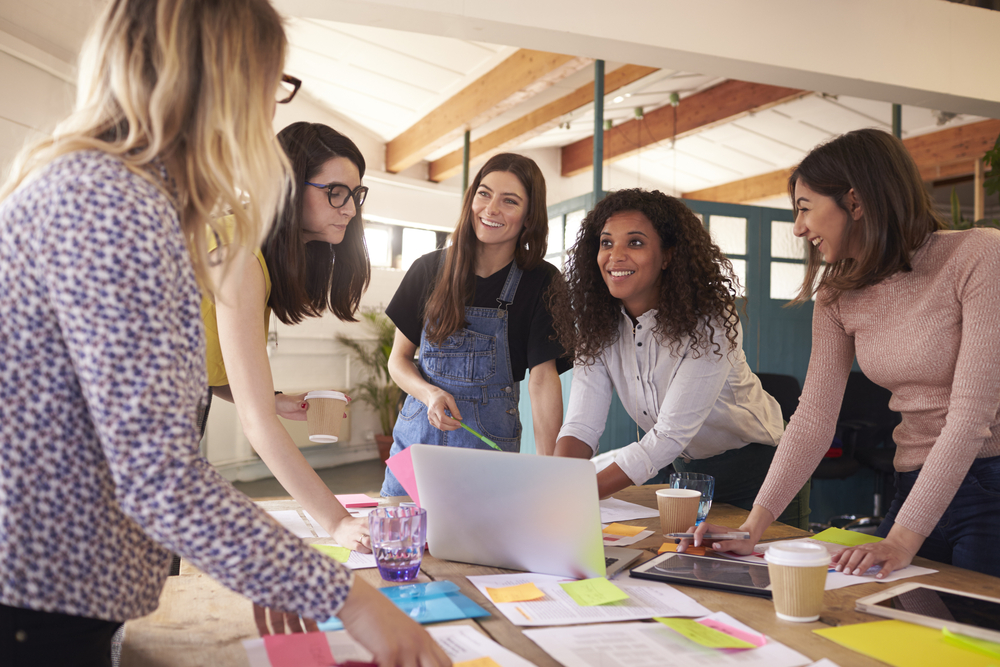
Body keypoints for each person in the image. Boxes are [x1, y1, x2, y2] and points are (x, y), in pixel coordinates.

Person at [0, 2, 449, 666]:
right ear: (215, 77)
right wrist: (348, 597)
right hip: (39, 597)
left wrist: (271, 564)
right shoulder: (108, 200)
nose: (270, 108)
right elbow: (159, 475)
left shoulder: (130, 196)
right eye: (271, 82)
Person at [689, 128, 1000, 579]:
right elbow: (813, 418)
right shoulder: (837, 295)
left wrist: (900, 539)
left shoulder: (978, 255)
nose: (798, 228)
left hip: (989, 482)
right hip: (912, 483)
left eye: (804, 208)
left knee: (978, 644)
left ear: (855, 202)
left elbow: (972, 415)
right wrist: (753, 527)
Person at [550, 189, 810, 529]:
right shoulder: (600, 325)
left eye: (636, 243)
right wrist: (555, 483)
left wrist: (578, 491)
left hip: (763, 471)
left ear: (668, 256)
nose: (615, 256)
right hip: (688, 474)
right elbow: (582, 425)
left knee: (763, 579)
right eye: (606, 243)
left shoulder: (710, 322)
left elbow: (669, 436)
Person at [203, 121, 372, 551]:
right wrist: (337, 523)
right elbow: (255, 424)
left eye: (356, 193)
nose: (350, 208)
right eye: (335, 191)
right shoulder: (239, 253)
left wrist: (271, 399)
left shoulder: (255, 253)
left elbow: (204, 365)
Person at [381, 153, 568, 497]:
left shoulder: (542, 282)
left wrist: (549, 470)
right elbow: (399, 360)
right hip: (415, 447)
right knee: (400, 543)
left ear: (529, 217)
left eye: (509, 201)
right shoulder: (428, 269)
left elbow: (543, 380)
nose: (491, 209)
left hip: (487, 456)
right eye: (484, 194)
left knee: (479, 548)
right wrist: (430, 393)